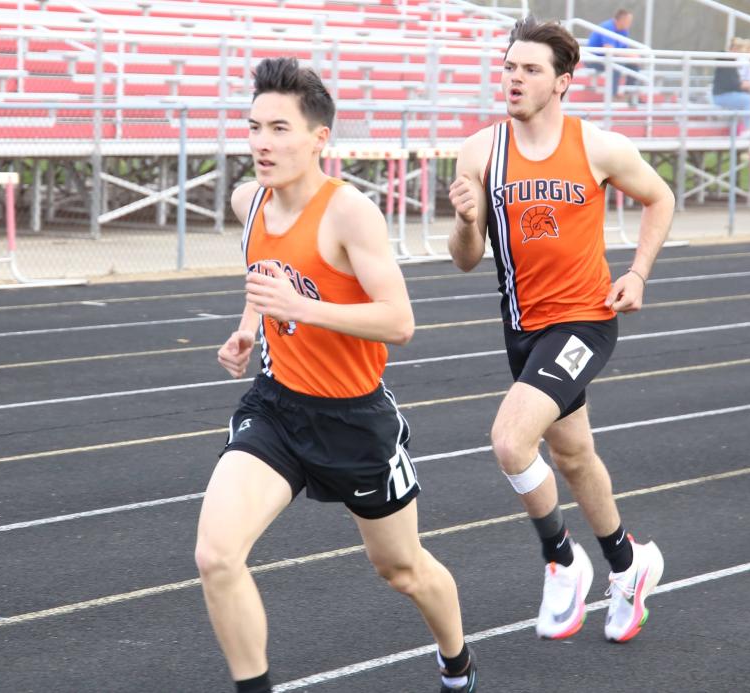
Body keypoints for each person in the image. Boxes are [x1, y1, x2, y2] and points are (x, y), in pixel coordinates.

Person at [194, 57, 476, 693]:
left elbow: (400, 322)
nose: (261, 143)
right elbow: (265, 275)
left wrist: (301, 309)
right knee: (216, 555)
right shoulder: (250, 202)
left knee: (401, 568)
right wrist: (249, 327)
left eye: (279, 129)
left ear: (319, 138)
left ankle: (456, 660)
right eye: (253, 127)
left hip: (354, 420)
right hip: (278, 410)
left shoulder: (349, 212)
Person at [448, 16, 673, 645]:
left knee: (510, 441)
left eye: (531, 69)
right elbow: (466, 258)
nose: (515, 79)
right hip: (522, 328)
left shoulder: (599, 146)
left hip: (584, 322)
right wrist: (466, 220)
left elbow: (661, 198)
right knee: (573, 456)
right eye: (509, 67)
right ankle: (630, 566)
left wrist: (638, 273)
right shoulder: (480, 152)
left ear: (563, 82)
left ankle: (562, 558)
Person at [712, 37, 750, 134]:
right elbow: (734, 84)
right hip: (721, 95)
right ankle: (748, 131)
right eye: (739, 48)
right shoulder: (725, 59)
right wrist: (749, 85)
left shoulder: (735, 63)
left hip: (732, 94)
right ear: (733, 49)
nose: (741, 52)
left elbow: (737, 84)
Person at [585, 8, 639, 98]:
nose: (630, 23)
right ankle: (612, 96)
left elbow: (624, 49)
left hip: (608, 59)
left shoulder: (624, 31)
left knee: (634, 65)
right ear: (621, 20)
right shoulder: (608, 27)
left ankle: (629, 94)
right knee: (616, 64)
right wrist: (628, 55)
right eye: (628, 21)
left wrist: (632, 56)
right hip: (593, 60)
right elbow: (608, 49)